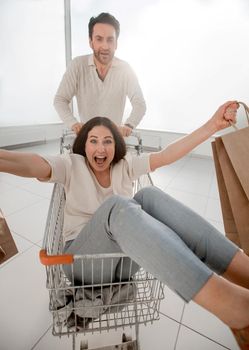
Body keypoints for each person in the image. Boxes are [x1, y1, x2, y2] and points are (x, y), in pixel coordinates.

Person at [0, 101, 248, 349]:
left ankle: (244, 270)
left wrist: (212, 126)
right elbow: (31, 163)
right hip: (81, 263)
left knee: (149, 196)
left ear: (116, 146)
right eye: (93, 140)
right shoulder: (71, 165)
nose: (100, 147)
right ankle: (231, 305)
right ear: (83, 145)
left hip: (121, 263)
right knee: (117, 205)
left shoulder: (124, 165)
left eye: (107, 141)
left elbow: (166, 155)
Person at [54, 12, 146, 137]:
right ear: (91, 42)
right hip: (87, 140)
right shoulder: (77, 65)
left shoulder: (125, 69)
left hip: (114, 140)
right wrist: (73, 123)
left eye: (110, 40)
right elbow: (60, 100)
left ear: (116, 44)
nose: (105, 46)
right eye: (99, 39)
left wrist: (129, 125)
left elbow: (139, 104)